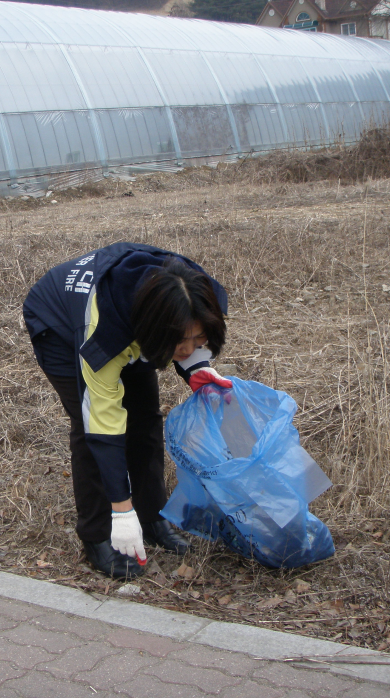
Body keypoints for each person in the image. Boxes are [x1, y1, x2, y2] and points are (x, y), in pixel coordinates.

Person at [23, 242, 231, 579]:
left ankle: (152, 517)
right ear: (154, 330)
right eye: (183, 344)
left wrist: (198, 368)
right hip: (59, 323)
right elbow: (101, 424)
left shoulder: (199, 292)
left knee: (145, 419)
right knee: (91, 429)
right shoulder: (103, 333)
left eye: (199, 340)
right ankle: (96, 535)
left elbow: (188, 330)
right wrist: (121, 511)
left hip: (137, 325)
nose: (191, 348)